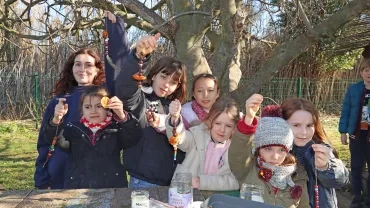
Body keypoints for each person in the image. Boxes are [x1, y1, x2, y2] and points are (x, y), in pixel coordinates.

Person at [109, 15, 188, 187]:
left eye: (174, 82)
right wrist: (139, 58)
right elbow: (125, 90)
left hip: (174, 183)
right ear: (153, 76)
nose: (167, 84)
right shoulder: (141, 99)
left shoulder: (178, 108)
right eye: (164, 76)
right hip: (143, 181)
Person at [44, 86, 141, 188]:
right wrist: (56, 120)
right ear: (82, 109)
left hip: (112, 187)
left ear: (108, 109)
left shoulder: (115, 129)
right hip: (77, 188)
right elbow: (54, 140)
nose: (93, 111)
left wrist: (122, 116)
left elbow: (134, 136)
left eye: (99, 106)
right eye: (88, 107)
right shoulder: (73, 129)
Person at [229, 94, 309, 207]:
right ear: (258, 148)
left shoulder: (297, 176)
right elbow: (238, 152)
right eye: (268, 149)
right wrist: (249, 119)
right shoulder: (248, 169)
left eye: (281, 150)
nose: (275, 156)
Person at [279, 97, 349, 208]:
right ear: (281, 124)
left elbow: (340, 180)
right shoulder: (275, 152)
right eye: (296, 125)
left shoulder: (320, 149)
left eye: (309, 126)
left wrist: (326, 167)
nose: (304, 132)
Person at [165, 97, 239, 191]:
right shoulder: (197, 135)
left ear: (234, 128)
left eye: (228, 126)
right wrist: (175, 119)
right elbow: (180, 138)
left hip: (215, 199)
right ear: (209, 120)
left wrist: (202, 182)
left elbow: (235, 181)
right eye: (217, 123)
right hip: (185, 194)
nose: (222, 130)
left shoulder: (236, 149)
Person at [339, 58, 370, 207]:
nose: (369, 73)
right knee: (356, 167)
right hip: (356, 136)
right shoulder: (354, 90)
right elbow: (345, 111)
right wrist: (343, 131)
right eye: (366, 70)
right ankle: (357, 197)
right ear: (361, 73)